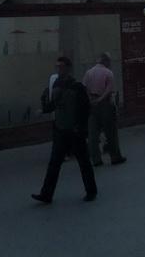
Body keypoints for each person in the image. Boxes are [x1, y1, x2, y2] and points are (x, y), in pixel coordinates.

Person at [32, 56, 98, 204]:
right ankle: (46, 194)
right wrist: (43, 110)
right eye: (57, 66)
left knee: (84, 162)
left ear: (68, 68)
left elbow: (85, 108)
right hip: (61, 130)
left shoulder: (77, 87)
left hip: (75, 131)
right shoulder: (56, 85)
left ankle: (91, 191)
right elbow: (53, 104)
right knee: (54, 163)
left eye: (61, 66)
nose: (59, 69)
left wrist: (79, 127)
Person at [82, 51, 127, 166]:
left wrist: (90, 100)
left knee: (93, 133)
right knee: (111, 132)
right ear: (105, 61)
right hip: (105, 104)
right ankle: (115, 157)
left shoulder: (88, 72)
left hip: (91, 104)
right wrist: (100, 99)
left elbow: (84, 88)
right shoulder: (108, 73)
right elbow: (109, 90)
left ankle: (96, 159)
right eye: (109, 61)